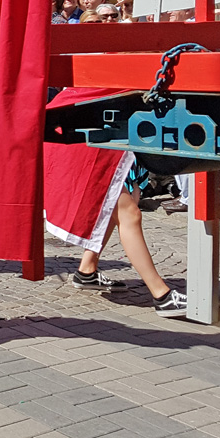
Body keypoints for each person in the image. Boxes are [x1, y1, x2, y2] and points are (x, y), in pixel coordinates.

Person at [45, 88, 188, 317]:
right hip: (89, 131)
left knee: (115, 205)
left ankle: (87, 269)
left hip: (113, 129)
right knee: (129, 213)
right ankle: (162, 295)